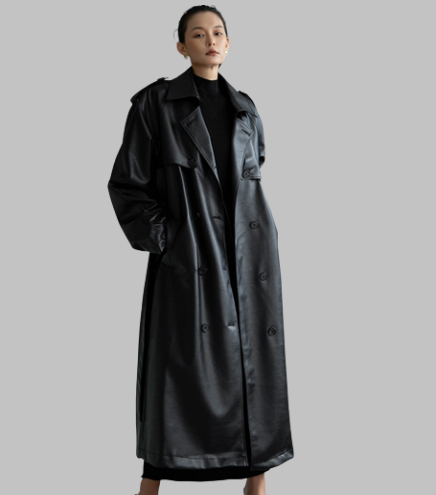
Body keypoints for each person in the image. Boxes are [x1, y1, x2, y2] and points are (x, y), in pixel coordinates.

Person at [107, 6, 294, 495]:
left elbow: (254, 173)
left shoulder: (245, 107)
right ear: (181, 46)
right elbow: (127, 185)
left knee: (253, 364)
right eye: (197, 34)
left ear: (228, 43)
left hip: (250, 257)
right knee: (177, 370)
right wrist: (170, 241)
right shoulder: (156, 104)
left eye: (218, 32)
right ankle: (152, 483)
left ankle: (257, 481)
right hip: (190, 259)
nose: (210, 40)